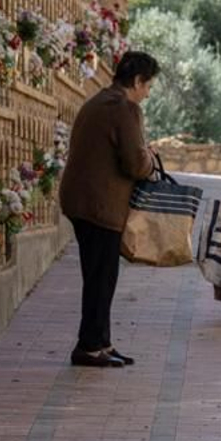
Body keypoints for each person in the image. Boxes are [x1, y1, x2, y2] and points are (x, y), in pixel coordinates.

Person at [58, 51, 160, 368]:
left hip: (83, 201)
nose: (147, 93)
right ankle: (89, 346)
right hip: (99, 205)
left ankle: (101, 342)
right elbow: (134, 162)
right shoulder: (124, 109)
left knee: (101, 276)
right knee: (101, 278)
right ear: (138, 80)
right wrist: (151, 160)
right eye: (148, 86)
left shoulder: (100, 100)